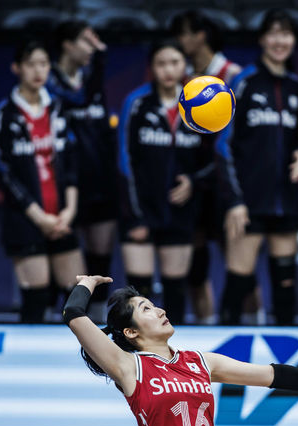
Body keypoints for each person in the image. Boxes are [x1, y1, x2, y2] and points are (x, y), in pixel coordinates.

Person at [64, 275, 298, 426]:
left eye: (154, 304)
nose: (159, 310)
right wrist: (87, 283)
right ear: (131, 332)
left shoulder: (201, 362)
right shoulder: (129, 366)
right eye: (146, 309)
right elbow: (74, 313)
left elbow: (274, 375)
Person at [171, 9, 266, 326]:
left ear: (201, 36)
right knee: (196, 268)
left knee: (241, 265)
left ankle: (257, 322)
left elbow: (241, 138)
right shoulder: (179, 75)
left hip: (224, 181)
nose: (181, 41)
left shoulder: (232, 74)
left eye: (185, 33)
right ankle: (204, 328)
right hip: (193, 181)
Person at [216, 10, 298, 326]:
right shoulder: (243, 82)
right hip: (248, 203)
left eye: (286, 33)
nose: (280, 41)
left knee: (286, 287)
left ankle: (286, 373)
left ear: (294, 40)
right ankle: (221, 369)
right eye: (273, 33)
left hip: (287, 200)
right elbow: (222, 144)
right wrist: (235, 200)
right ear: (262, 39)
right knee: (238, 285)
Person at [0, 40, 85, 323]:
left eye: (43, 63)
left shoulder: (58, 109)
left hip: (62, 216)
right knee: (37, 299)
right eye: (31, 64)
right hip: (26, 219)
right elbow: (3, 172)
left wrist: (69, 211)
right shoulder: (4, 116)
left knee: (76, 299)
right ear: (16, 68)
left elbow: (71, 163)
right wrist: (38, 217)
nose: (38, 70)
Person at [118, 40, 212, 325]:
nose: (168, 70)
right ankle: (132, 363)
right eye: (161, 63)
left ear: (185, 65)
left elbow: (212, 159)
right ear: (152, 68)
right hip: (140, 211)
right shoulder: (136, 103)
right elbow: (124, 160)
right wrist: (135, 216)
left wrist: (193, 182)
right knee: (137, 295)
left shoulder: (201, 104)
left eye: (174, 62)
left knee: (174, 292)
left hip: (180, 213)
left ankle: (172, 366)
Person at [47, 21, 117, 322]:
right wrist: (100, 61)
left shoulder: (92, 79)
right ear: (67, 43)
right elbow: (79, 100)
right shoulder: (48, 82)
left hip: (100, 180)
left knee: (100, 255)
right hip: (65, 184)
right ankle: (60, 318)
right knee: (63, 254)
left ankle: (99, 324)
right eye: (86, 41)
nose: (93, 48)